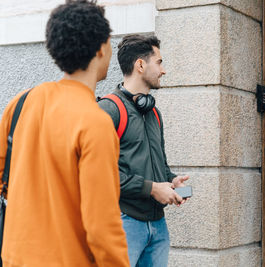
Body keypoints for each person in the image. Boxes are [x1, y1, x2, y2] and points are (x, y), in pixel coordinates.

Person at [0, 1, 130, 266]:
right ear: (101, 48)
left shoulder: (22, 102)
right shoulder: (95, 122)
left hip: (15, 257)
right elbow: (101, 227)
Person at [98, 34, 189, 267]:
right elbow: (99, 176)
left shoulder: (154, 113)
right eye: (158, 62)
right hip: (123, 223)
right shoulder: (109, 110)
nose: (163, 70)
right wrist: (151, 188)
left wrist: (170, 181)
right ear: (140, 65)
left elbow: (161, 164)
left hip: (158, 226)